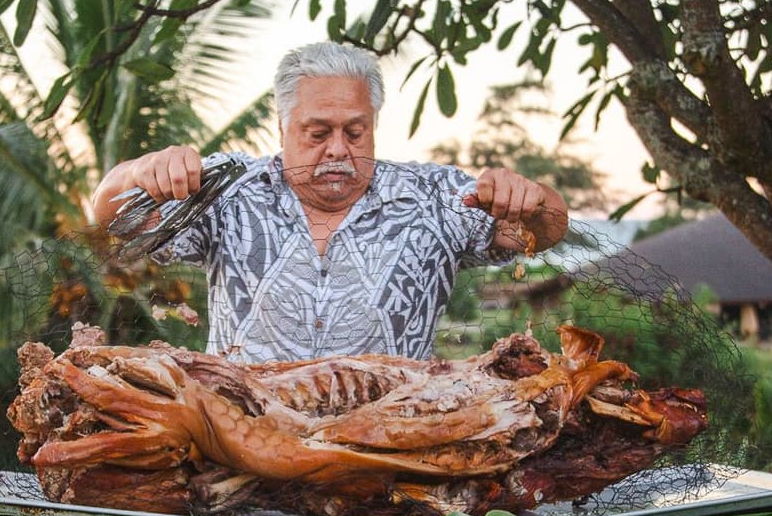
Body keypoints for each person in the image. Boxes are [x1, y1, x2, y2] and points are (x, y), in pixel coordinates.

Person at [89, 41, 569, 361]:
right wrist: (135, 173)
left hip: (387, 454)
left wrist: (531, 200)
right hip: (243, 447)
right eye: (318, 133)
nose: (338, 149)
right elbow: (113, 220)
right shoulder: (227, 189)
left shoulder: (434, 198)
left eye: (355, 132)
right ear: (282, 126)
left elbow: (542, 230)